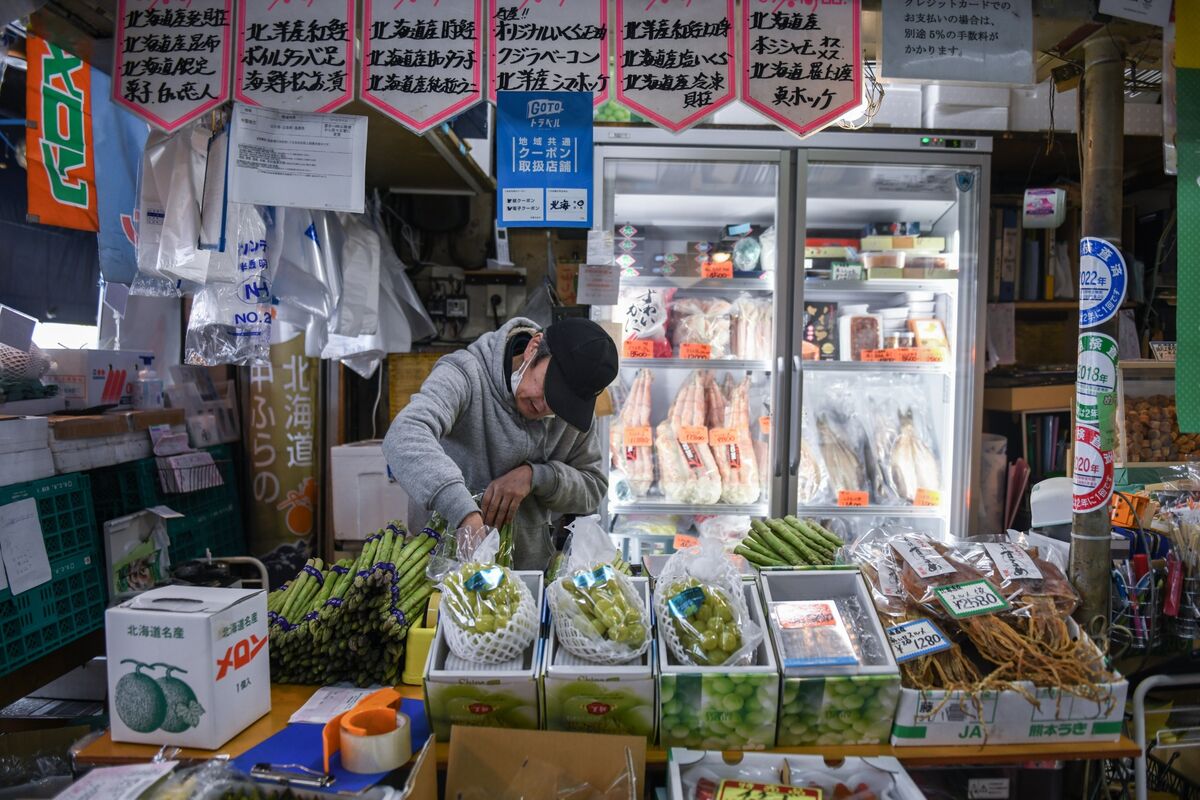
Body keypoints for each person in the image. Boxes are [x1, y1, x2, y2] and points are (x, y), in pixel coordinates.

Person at [383, 316, 619, 570]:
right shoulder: (465, 374)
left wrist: (537, 477)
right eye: (548, 389)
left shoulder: (570, 416)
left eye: (559, 404)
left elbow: (593, 485)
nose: (544, 407)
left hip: (526, 574)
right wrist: (463, 511)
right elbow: (404, 434)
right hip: (438, 567)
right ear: (533, 348)